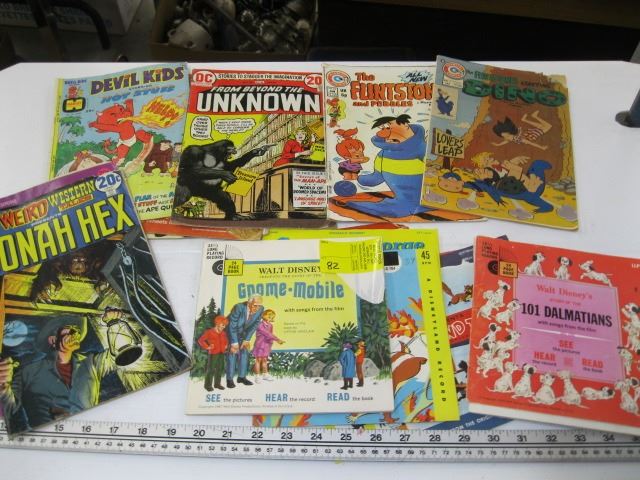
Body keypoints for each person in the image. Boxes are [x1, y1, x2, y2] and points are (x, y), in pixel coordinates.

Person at [0, 309, 122, 433]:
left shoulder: (92, 363)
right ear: (53, 340)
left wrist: (113, 323)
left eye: (78, 331)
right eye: (71, 330)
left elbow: (119, 354)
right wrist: (4, 385)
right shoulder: (28, 372)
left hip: (86, 432)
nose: (76, 334)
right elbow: (10, 408)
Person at [225, 294, 264, 388]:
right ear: (249, 303)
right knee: (233, 354)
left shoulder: (261, 309)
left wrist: (247, 339)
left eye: (259, 305)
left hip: (243, 335)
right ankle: (229, 379)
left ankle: (241, 377)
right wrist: (234, 342)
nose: (257, 308)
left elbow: (255, 324)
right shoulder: (239, 307)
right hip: (231, 332)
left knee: (244, 353)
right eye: (255, 305)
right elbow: (232, 325)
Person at [251, 309, 284, 383]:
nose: (270, 318)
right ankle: (257, 376)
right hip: (260, 345)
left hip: (267, 345)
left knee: (265, 360)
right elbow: (267, 333)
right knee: (258, 360)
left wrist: (271, 343)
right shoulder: (259, 324)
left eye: (272, 317)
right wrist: (277, 339)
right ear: (264, 316)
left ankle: (265, 374)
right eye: (269, 316)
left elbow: (270, 335)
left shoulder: (270, 325)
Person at [197, 315, 229, 391]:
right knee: (210, 369)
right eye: (223, 325)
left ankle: (217, 384)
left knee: (220, 369)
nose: (224, 327)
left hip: (221, 352)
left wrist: (226, 345)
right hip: (213, 353)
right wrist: (207, 347)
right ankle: (207, 386)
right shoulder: (209, 332)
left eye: (225, 325)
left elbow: (226, 341)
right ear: (218, 323)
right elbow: (200, 340)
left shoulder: (223, 333)